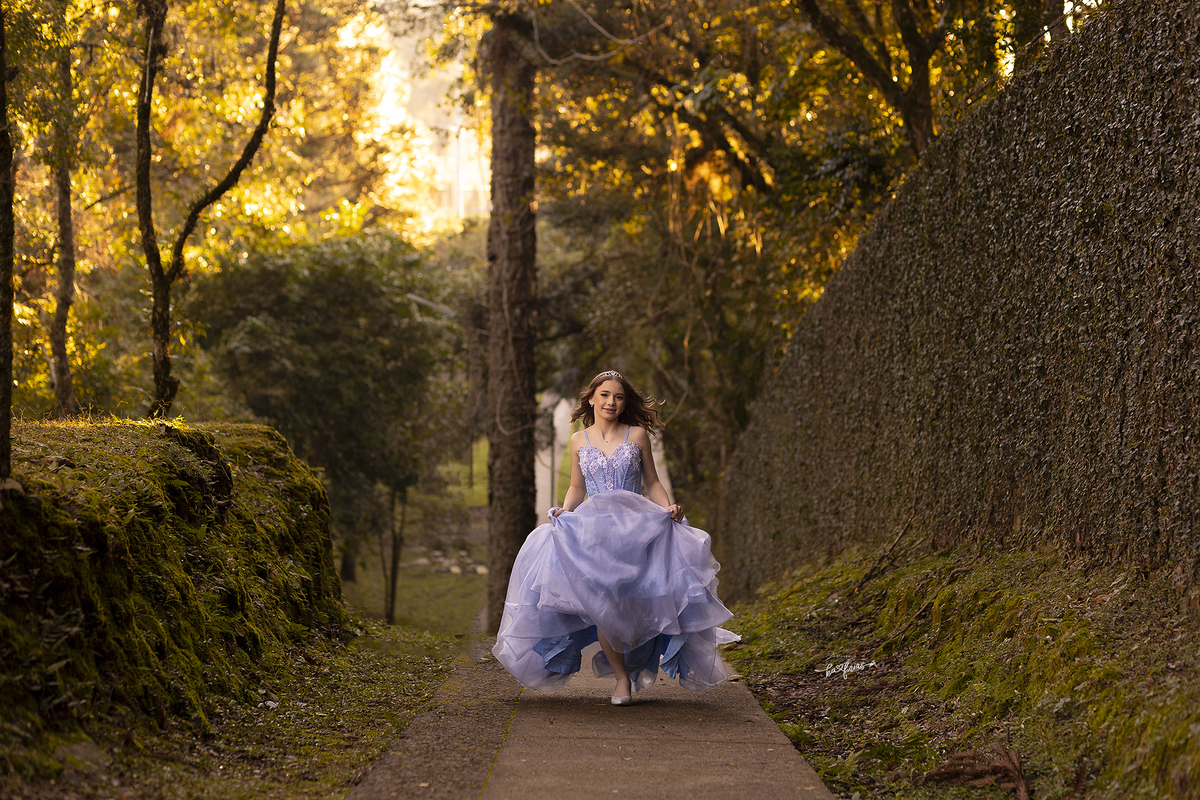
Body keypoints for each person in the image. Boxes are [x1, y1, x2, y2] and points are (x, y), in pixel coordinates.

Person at [492, 370, 739, 705]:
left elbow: (652, 482)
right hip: (593, 532)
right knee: (603, 604)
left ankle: (638, 665)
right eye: (605, 395)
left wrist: (669, 507)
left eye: (619, 396)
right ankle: (622, 679)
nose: (611, 402)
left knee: (635, 603)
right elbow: (576, 487)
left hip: (636, 529)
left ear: (625, 403)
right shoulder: (579, 440)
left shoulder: (636, 435)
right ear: (591, 398)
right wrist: (565, 512)